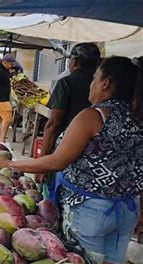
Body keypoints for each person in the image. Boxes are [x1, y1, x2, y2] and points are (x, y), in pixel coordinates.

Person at [0, 56, 143, 264]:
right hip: (128, 209)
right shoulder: (137, 117)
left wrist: (8, 164)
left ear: (105, 83)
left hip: (91, 210)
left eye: (95, 78)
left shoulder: (93, 116)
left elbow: (57, 162)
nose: (91, 84)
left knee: (80, 261)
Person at [38, 43, 101, 183]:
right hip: (93, 154)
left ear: (74, 61)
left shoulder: (66, 83)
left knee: (54, 195)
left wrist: (42, 164)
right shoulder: (101, 85)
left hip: (64, 150)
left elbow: (53, 124)